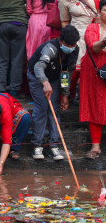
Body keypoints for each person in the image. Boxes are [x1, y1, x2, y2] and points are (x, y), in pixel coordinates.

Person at [28, 25, 79, 161]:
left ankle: (54, 145)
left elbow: (67, 73)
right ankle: (36, 145)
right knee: (42, 108)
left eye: (73, 44)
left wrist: (65, 94)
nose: (71, 47)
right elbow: (39, 67)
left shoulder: (74, 50)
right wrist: (45, 83)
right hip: (37, 77)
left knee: (54, 110)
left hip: (55, 79)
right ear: (61, 41)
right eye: (68, 44)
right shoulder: (50, 48)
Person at [57, 0, 104, 71]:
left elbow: (103, 2)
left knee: (97, 65)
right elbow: (64, 21)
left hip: (98, 31)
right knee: (79, 68)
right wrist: (69, 38)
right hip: (79, 37)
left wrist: (100, 16)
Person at [80, 0, 106, 159]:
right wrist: (104, 41)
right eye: (105, 10)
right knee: (96, 105)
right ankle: (95, 147)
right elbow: (93, 47)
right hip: (95, 72)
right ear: (99, 12)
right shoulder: (92, 28)